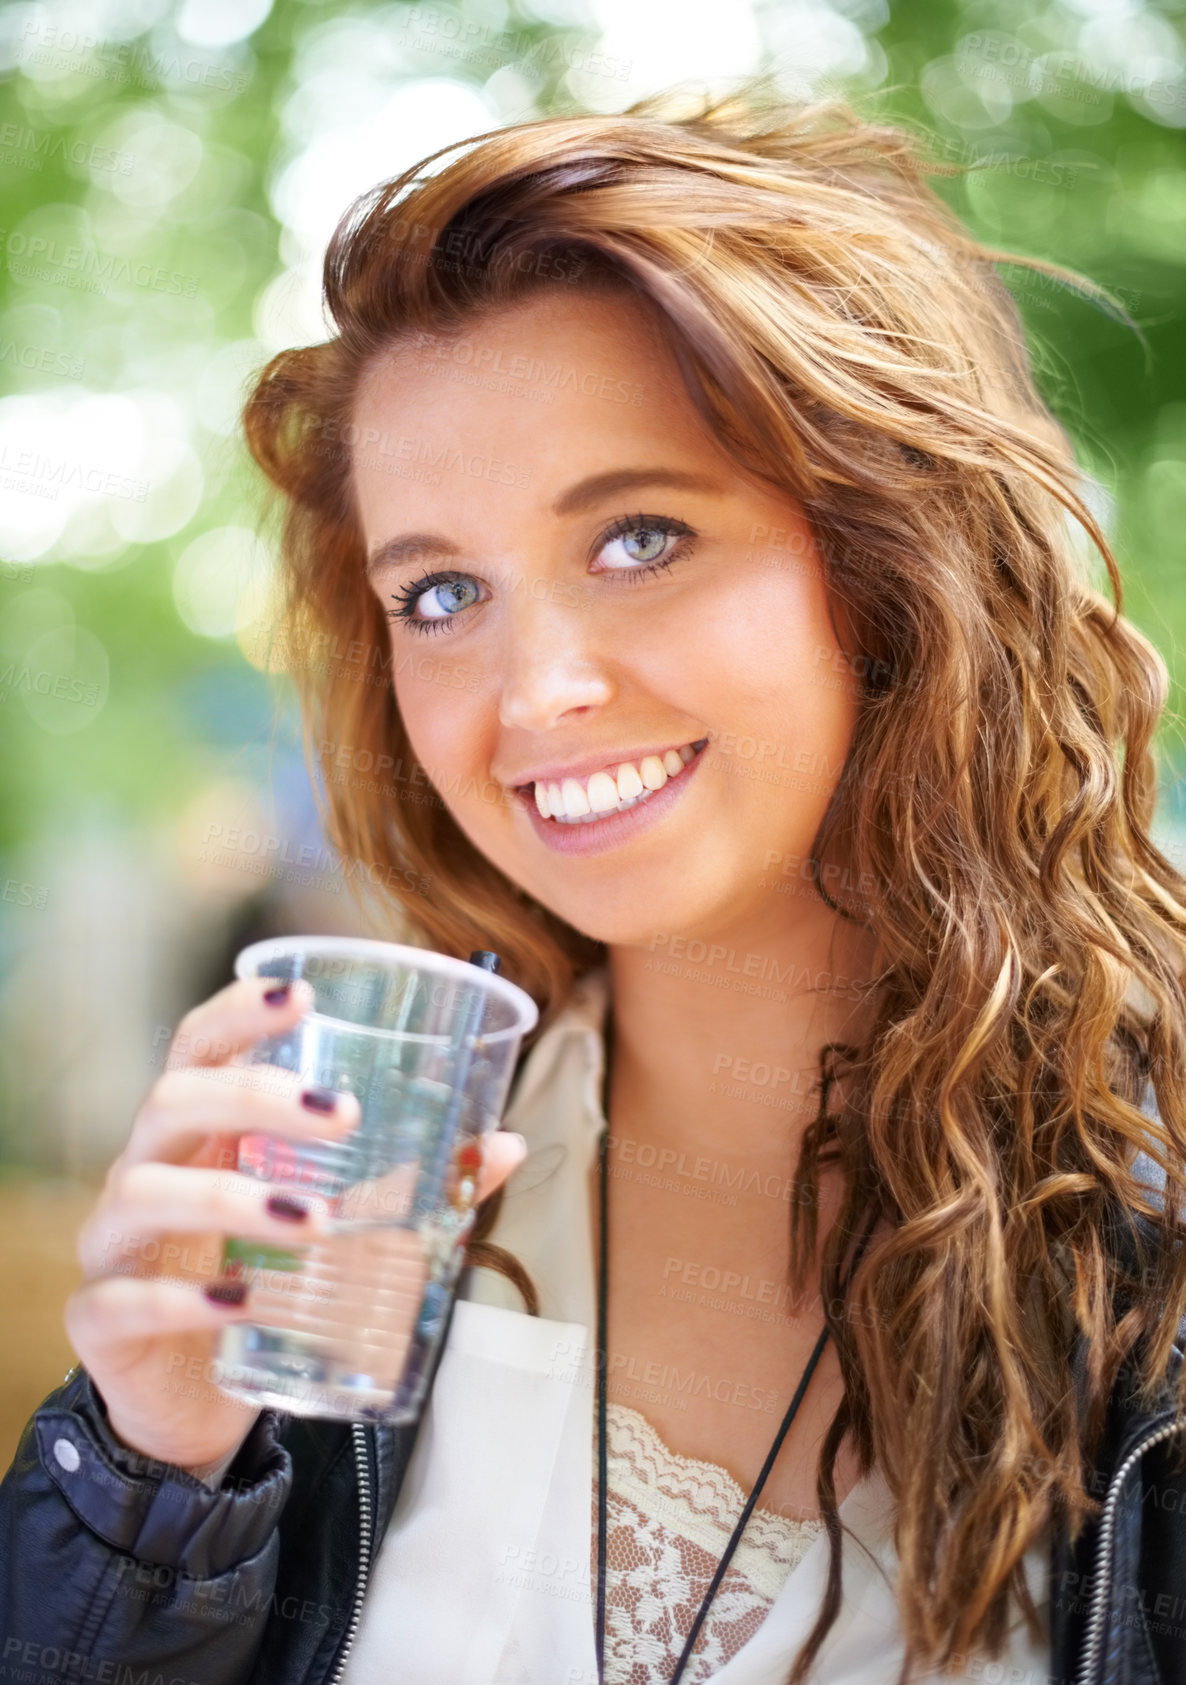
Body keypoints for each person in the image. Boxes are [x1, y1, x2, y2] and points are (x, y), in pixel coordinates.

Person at [3, 81, 1186, 1685]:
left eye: (637, 537)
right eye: (437, 591)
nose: (530, 688)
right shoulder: (343, 1232)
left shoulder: (1148, 1260)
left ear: (893, 565)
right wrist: (151, 1479)